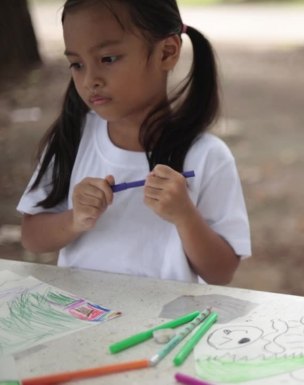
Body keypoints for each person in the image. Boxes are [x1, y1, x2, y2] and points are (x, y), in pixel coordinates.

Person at [17, 0, 250, 285]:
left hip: (167, 325)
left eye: (108, 59)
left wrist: (185, 216)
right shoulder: (74, 138)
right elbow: (32, 237)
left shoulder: (207, 157)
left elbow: (221, 271)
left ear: (167, 52)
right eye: (76, 64)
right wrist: (74, 219)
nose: (90, 80)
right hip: (83, 318)